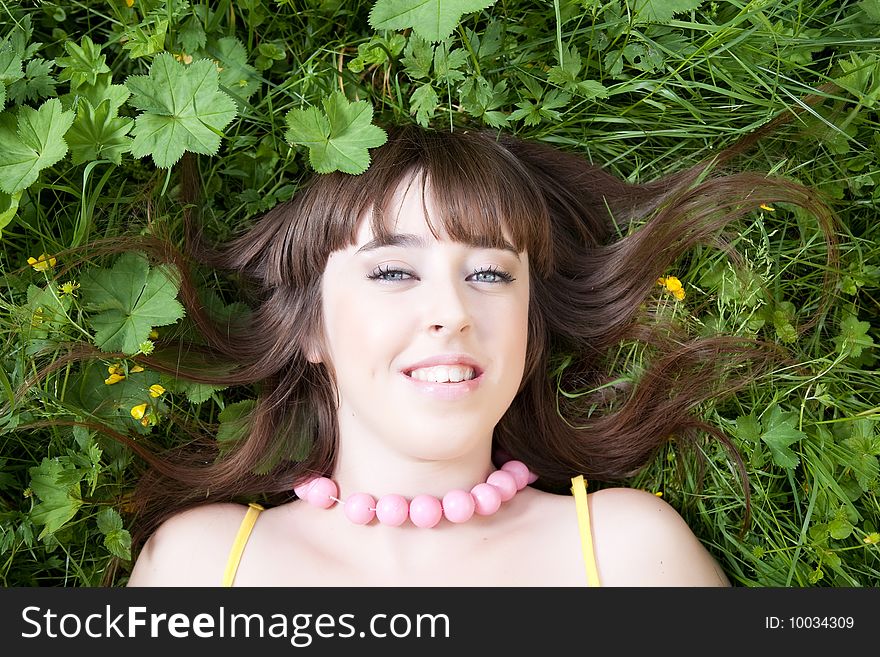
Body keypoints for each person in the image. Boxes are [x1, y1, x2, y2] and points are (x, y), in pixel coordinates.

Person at [124, 122, 836, 587]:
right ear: (309, 329)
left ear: (529, 325)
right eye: (394, 271)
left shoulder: (629, 556)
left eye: (491, 274)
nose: (453, 313)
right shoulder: (203, 568)